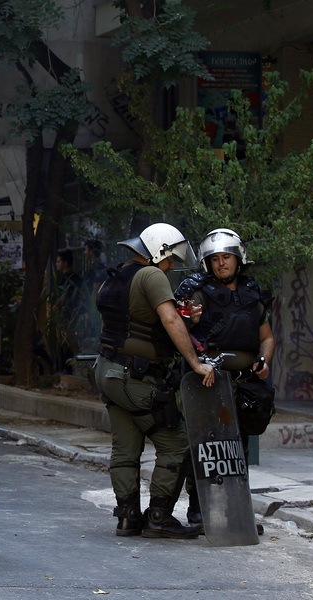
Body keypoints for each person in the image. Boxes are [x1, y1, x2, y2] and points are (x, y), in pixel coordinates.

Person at [94, 223, 214, 539]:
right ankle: (159, 515)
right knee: (177, 440)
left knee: (126, 446)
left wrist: (187, 316)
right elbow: (170, 319)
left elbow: (130, 324)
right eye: (170, 258)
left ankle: (128, 517)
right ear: (158, 251)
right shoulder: (151, 275)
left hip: (108, 373)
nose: (172, 266)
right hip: (135, 378)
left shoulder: (116, 276)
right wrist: (196, 363)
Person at [174, 228, 275, 527]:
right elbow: (176, 330)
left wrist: (264, 362)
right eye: (215, 259)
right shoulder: (196, 291)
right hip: (208, 383)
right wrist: (189, 320)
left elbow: (267, 338)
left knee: (238, 448)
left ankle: (236, 512)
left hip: (244, 385)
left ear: (238, 259)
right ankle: (199, 510)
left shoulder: (252, 294)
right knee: (205, 446)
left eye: (226, 257)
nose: (221, 264)